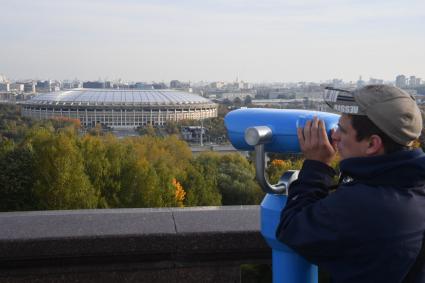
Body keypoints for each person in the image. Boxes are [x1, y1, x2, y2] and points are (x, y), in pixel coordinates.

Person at [276, 84, 425, 283]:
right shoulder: (412, 184)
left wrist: (316, 166)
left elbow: (292, 228)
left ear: (372, 144)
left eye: (342, 130)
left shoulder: (364, 204)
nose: (335, 136)